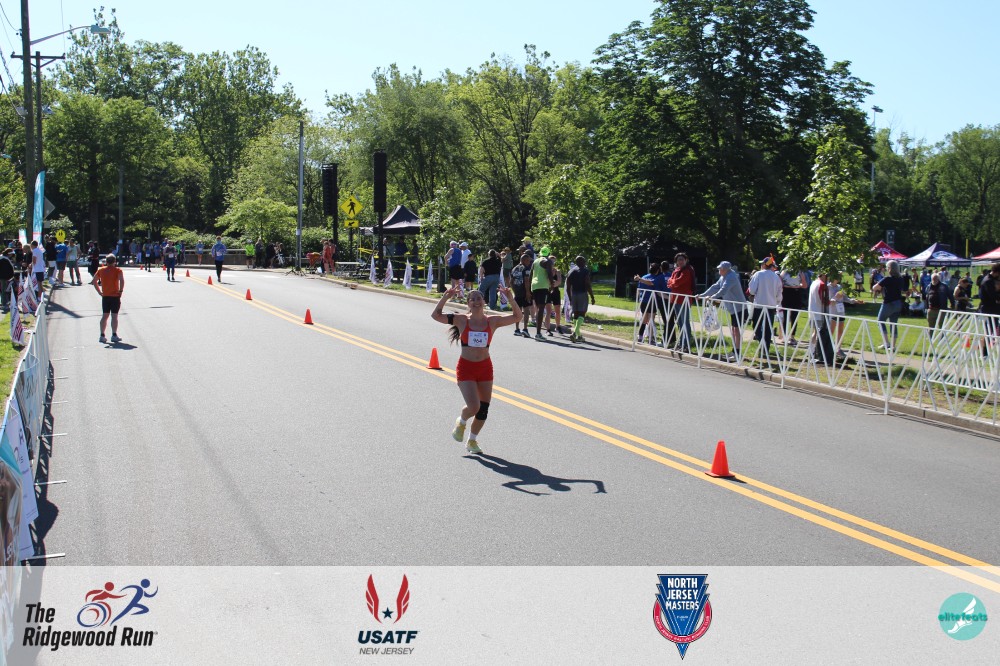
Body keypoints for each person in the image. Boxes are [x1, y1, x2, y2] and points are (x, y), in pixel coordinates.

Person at [431, 286, 522, 454]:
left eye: (478, 298)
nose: (476, 301)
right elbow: (436, 315)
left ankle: (472, 441)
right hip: (466, 368)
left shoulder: (492, 321)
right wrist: (445, 297)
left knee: (483, 410)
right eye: (472, 299)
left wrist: (510, 298)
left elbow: (518, 317)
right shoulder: (461, 320)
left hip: (485, 368)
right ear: (468, 304)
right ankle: (462, 420)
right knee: (474, 407)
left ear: (484, 301)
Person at [699, 261, 748, 361]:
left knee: (736, 330)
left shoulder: (731, 277)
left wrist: (712, 297)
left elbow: (723, 290)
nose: (718, 270)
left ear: (725, 270)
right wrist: (703, 295)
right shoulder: (723, 277)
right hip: (733, 308)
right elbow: (715, 287)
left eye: (720, 269)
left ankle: (737, 353)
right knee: (734, 330)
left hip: (739, 308)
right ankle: (734, 351)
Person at [747, 256, 783, 355]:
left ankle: (762, 343)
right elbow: (779, 293)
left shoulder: (758, 274)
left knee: (756, 326)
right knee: (768, 328)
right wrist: (777, 302)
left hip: (759, 305)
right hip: (771, 306)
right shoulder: (776, 277)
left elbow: (752, 290)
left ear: (764, 265)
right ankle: (765, 348)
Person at [872, 259, 905, 351]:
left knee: (880, 321)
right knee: (893, 324)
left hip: (888, 303)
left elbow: (875, 288)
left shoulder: (887, 279)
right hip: (898, 303)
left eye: (887, 267)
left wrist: (879, 282)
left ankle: (886, 343)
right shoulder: (900, 279)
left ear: (890, 268)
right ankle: (893, 346)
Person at [666, 252, 697, 352]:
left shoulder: (688, 270)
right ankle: (681, 344)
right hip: (675, 299)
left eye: (682, 259)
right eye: (678, 260)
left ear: (686, 260)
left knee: (685, 322)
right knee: (679, 322)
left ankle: (686, 344)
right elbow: (669, 282)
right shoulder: (676, 270)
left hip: (684, 300)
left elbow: (677, 282)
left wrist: (672, 282)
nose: (680, 261)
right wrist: (672, 282)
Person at [92, 254, 125, 344]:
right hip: (115, 296)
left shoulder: (101, 270)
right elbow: (122, 280)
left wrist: (99, 292)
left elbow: (94, 281)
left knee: (105, 315)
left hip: (105, 296)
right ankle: (114, 335)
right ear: (115, 262)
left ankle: (102, 335)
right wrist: (120, 291)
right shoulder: (118, 270)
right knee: (114, 316)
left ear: (106, 262)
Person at [565, 255, 596, 343]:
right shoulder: (585, 271)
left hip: (574, 294)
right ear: (581, 262)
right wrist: (592, 296)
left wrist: (570, 298)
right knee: (582, 314)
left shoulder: (571, 271)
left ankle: (579, 336)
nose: (585, 263)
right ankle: (575, 333)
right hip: (582, 294)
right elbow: (587, 284)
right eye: (584, 261)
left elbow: (568, 287)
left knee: (576, 315)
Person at [634, 263, 663, 343]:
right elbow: (651, 283)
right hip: (650, 301)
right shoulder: (656, 277)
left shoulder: (644, 277)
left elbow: (639, 289)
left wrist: (638, 299)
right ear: (658, 270)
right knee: (650, 320)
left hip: (644, 301)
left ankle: (641, 337)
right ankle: (649, 338)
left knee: (645, 319)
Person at [530, 247, 554, 340]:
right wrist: (552, 284)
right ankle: (538, 333)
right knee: (541, 309)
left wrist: (529, 289)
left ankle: (538, 332)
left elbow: (531, 274)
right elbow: (549, 273)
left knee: (538, 309)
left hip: (534, 286)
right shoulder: (547, 261)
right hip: (543, 286)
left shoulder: (535, 261)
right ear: (548, 254)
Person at [509, 252, 533, 336]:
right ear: (524, 260)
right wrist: (528, 292)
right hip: (524, 293)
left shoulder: (514, 269)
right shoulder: (526, 269)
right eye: (528, 261)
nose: (529, 262)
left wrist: (514, 291)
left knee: (517, 311)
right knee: (526, 310)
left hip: (517, 293)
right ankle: (525, 329)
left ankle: (517, 329)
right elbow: (526, 280)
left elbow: (511, 282)